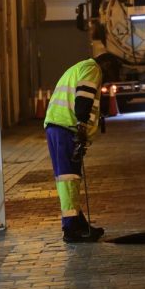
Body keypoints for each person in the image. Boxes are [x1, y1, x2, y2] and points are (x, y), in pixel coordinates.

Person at [44, 57, 105, 243]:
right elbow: (84, 97)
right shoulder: (93, 68)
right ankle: (70, 228)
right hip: (66, 127)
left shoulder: (78, 67)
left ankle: (78, 222)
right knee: (68, 178)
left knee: (71, 177)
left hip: (58, 125)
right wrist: (81, 126)